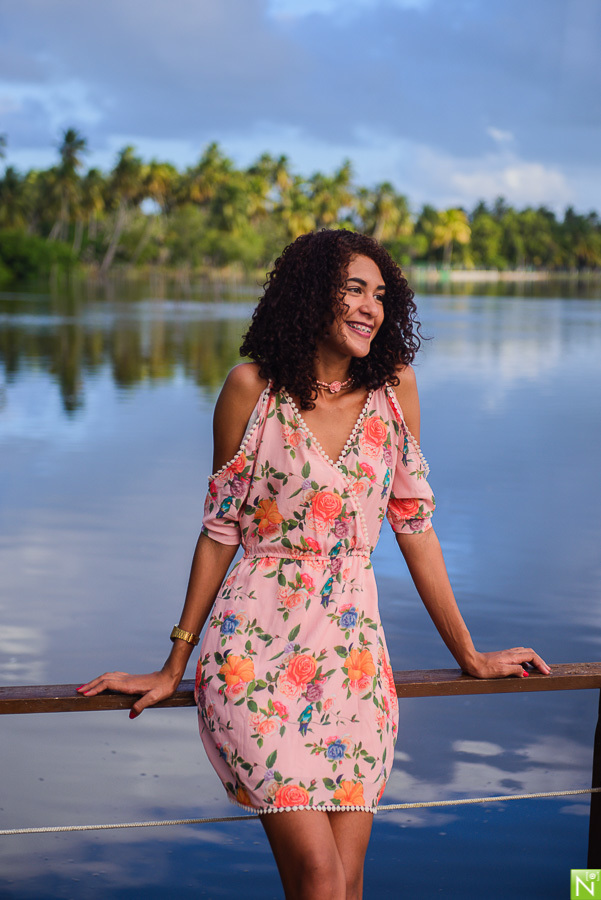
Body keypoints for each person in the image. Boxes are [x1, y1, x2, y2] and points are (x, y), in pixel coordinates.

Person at [79, 229, 550, 900]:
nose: (369, 307)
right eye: (352, 289)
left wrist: (469, 655)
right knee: (320, 876)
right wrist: (173, 662)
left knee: (348, 881)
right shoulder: (251, 391)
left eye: (379, 295)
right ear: (309, 295)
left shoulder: (395, 393)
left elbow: (415, 529)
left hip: (354, 664)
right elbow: (218, 531)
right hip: (253, 658)